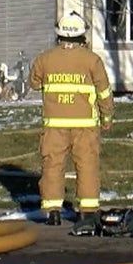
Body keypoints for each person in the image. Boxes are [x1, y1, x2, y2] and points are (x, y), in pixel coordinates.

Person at [29, 12, 114, 229]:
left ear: (59, 35)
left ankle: (53, 212)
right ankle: (87, 213)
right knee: (87, 166)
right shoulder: (92, 60)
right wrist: (107, 117)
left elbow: (34, 84)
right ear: (81, 37)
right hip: (85, 125)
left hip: (54, 125)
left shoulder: (44, 59)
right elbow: (104, 92)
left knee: (52, 166)